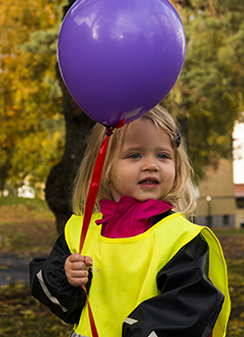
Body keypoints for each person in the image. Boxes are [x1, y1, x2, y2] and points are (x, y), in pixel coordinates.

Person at [29, 105, 230, 337]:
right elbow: (62, 303)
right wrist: (67, 277)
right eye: (135, 155)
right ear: (104, 167)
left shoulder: (181, 238)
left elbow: (187, 307)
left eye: (163, 155)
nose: (151, 165)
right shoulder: (80, 231)